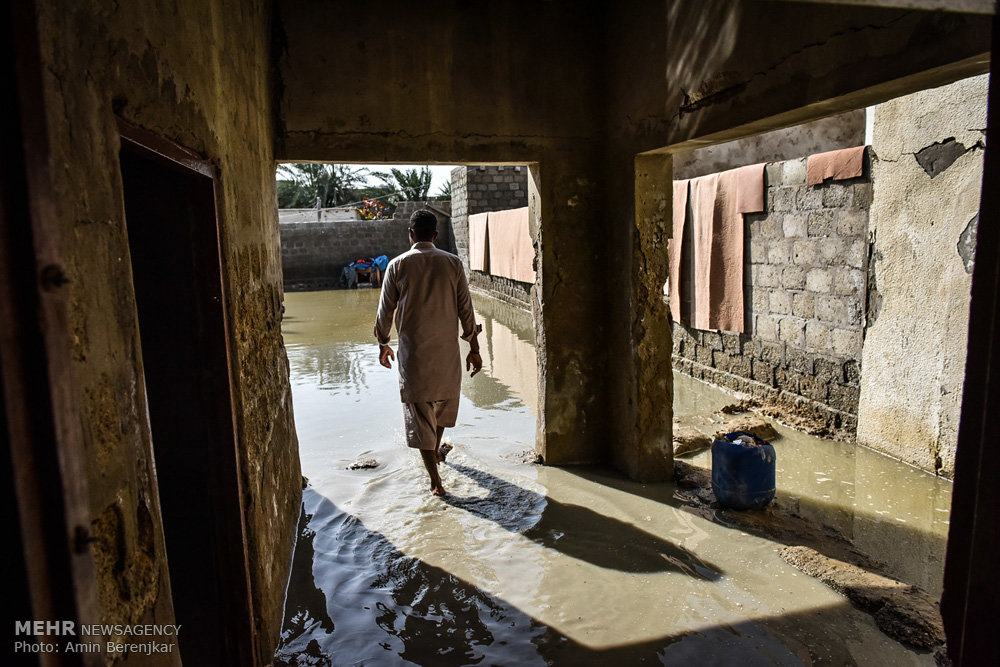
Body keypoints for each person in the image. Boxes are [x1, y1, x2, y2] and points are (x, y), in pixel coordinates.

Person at [374, 210, 482, 496]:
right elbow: (465, 310)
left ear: (411, 235)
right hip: (447, 356)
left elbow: (385, 312)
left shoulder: (397, 266)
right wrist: (474, 347)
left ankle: (435, 482)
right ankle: (435, 457)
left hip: (414, 358)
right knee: (441, 413)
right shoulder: (453, 264)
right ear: (435, 235)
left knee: (422, 419)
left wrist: (383, 343)